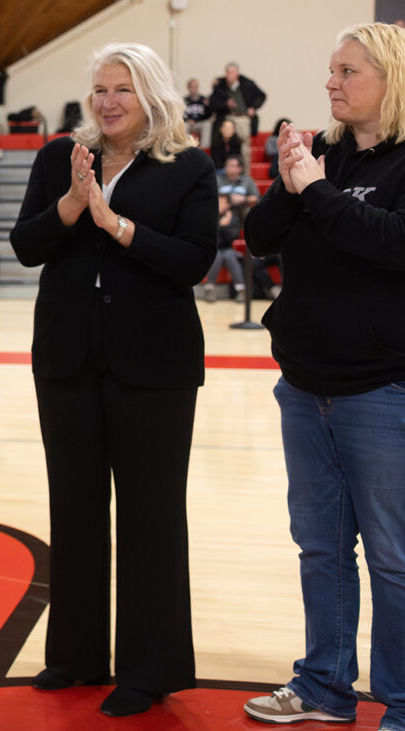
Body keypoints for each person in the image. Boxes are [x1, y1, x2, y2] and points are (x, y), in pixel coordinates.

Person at [9, 42, 217, 717]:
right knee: (74, 509)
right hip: (67, 360)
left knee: (151, 517)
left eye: (122, 89)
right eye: (100, 89)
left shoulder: (188, 166)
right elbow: (26, 246)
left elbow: (194, 261)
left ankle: (149, 670)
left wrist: (116, 224)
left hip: (155, 367)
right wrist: (72, 205)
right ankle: (75, 654)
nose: (108, 101)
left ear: (151, 95)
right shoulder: (60, 158)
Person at [241, 23, 405, 731]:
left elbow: (393, 245)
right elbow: (258, 238)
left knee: (395, 558)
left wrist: (317, 191)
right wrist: (292, 182)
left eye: (347, 71)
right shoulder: (325, 155)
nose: (331, 83)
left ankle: (403, 702)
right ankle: (325, 685)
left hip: (384, 388)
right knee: (321, 546)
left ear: (390, 79)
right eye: (332, 71)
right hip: (305, 387)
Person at [210, 62, 266, 142]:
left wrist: (253, 107)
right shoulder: (220, 86)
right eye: (227, 72)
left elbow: (261, 96)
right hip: (227, 116)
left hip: (243, 116)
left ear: (237, 74)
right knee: (225, 128)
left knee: (243, 133)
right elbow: (213, 103)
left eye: (232, 73)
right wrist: (226, 104)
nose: (229, 75)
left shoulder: (247, 84)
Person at [202, 193, 244, 302]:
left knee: (230, 256)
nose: (218, 204)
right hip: (212, 248)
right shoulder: (210, 215)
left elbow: (232, 238)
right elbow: (208, 236)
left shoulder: (233, 217)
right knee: (217, 256)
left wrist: (223, 227)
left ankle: (240, 289)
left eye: (221, 202)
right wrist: (221, 225)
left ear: (228, 205)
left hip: (227, 248)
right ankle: (209, 289)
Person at [216, 154, 259, 225]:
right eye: (226, 165)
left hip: (241, 208)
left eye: (232, 166)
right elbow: (211, 197)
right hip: (223, 208)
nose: (228, 167)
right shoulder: (218, 179)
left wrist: (244, 199)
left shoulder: (247, 180)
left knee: (251, 212)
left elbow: (256, 198)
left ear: (240, 168)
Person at [183, 78, 212, 147]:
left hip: (200, 123)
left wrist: (208, 107)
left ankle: (205, 148)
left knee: (207, 124)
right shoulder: (184, 100)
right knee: (184, 125)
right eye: (192, 87)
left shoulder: (204, 100)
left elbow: (208, 115)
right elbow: (181, 114)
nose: (193, 88)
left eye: (195, 86)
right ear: (188, 88)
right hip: (189, 123)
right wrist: (187, 120)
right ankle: (185, 147)